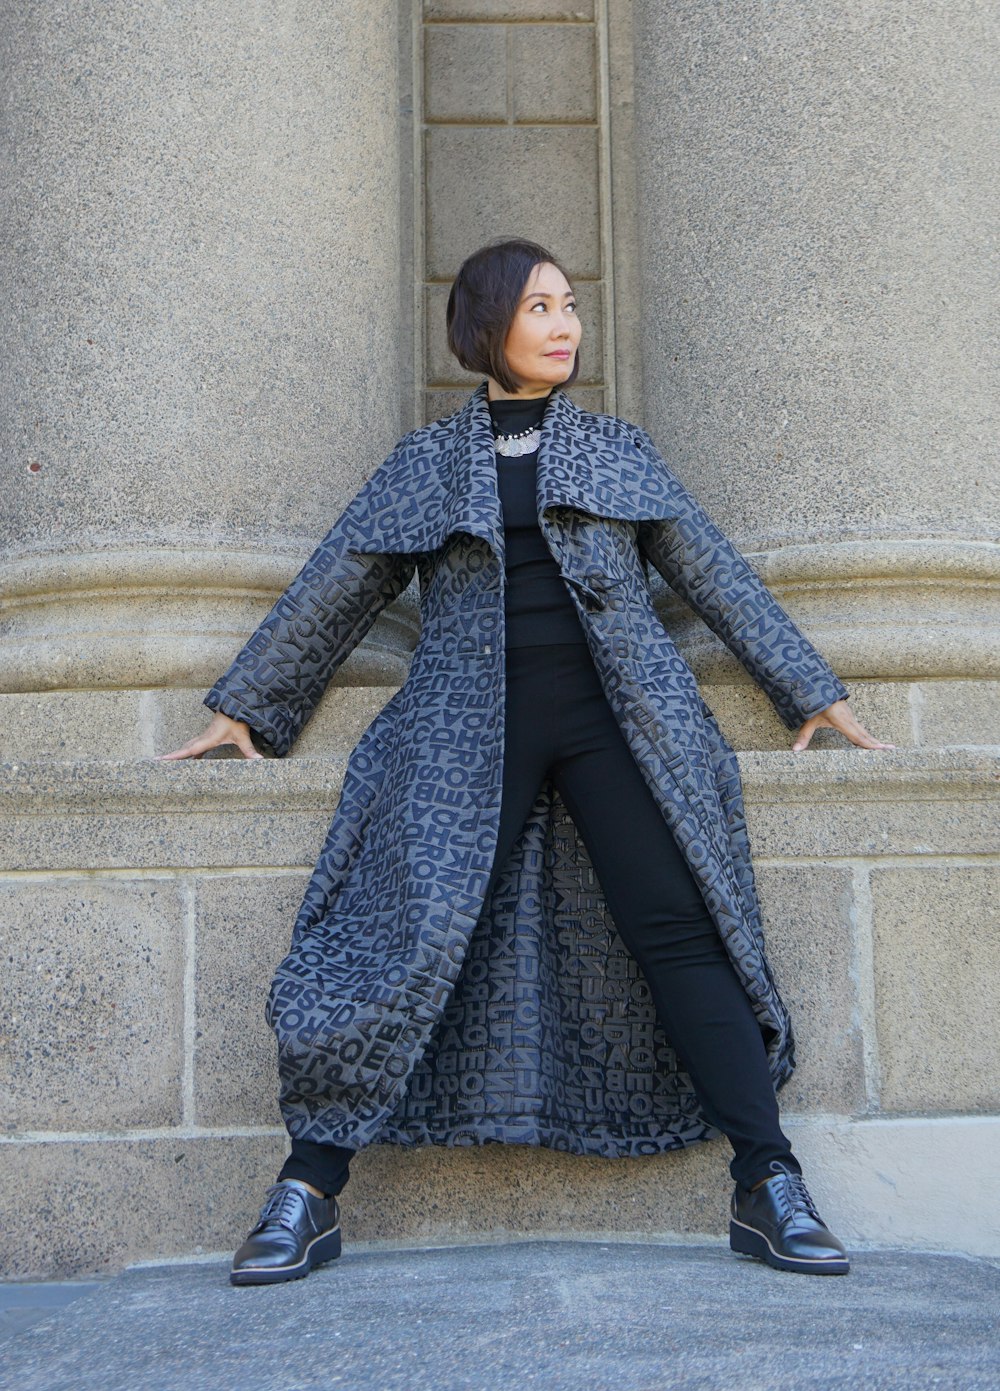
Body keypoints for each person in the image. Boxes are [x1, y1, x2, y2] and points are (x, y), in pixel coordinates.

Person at [160, 237, 895, 1286]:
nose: (563, 325)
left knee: (680, 930)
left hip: (620, 716)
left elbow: (711, 569)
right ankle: (308, 1188)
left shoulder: (617, 448)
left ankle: (766, 1180)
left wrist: (809, 688)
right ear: (485, 326)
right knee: (405, 934)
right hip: (464, 722)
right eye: (539, 307)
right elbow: (339, 583)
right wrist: (247, 705)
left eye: (570, 306)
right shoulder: (424, 462)